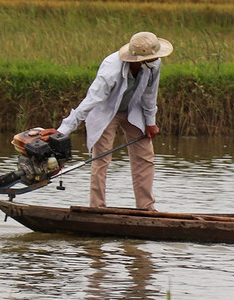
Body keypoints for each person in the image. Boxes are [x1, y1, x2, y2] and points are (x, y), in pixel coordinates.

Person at [41, 31, 173, 210]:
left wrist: (151, 122)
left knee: (145, 158)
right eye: (151, 57)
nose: (156, 59)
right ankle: (98, 207)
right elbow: (91, 100)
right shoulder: (111, 70)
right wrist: (63, 130)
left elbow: (150, 94)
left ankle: (146, 207)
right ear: (139, 59)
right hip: (106, 112)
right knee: (101, 159)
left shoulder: (153, 63)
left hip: (133, 111)